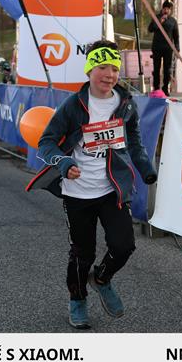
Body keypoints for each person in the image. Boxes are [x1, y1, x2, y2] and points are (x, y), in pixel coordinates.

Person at [27, 39, 158, 330]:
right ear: (89, 70)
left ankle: (101, 278)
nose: (109, 74)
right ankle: (77, 299)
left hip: (112, 189)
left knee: (123, 246)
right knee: (82, 253)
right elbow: (46, 142)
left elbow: (134, 141)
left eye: (114, 68)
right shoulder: (73, 106)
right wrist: (64, 163)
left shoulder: (125, 104)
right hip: (78, 193)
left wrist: (146, 169)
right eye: (102, 67)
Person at [147, 0, 179, 96]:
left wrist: (177, 48)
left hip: (168, 49)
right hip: (157, 47)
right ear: (162, 9)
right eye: (165, 8)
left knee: (167, 69)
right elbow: (150, 29)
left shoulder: (173, 21)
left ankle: (165, 89)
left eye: (168, 9)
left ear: (170, 10)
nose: (166, 10)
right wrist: (160, 22)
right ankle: (156, 88)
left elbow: (176, 36)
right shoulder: (156, 17)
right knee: (156, 69)